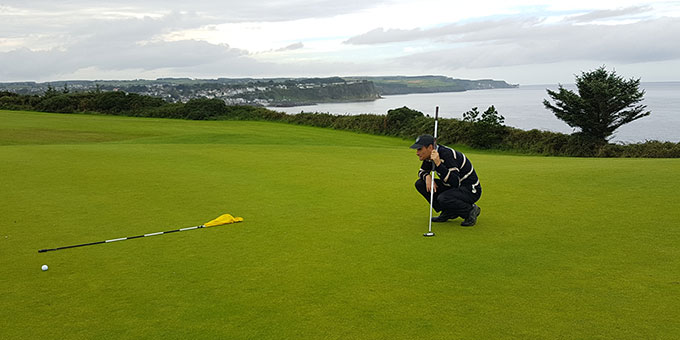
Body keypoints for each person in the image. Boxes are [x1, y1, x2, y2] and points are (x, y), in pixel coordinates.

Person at [411, 134, 482, 226]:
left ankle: (470, 210)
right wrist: (427, 177)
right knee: (420, 184)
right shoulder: (430, 156)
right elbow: (422, 171)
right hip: (453, 187)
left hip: (470, 189)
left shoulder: (447, 155)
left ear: (430, 147)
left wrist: (438, 164)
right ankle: (448, 211)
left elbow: (455, 181)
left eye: (420, 149)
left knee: (444, 198)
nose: (417, 153)